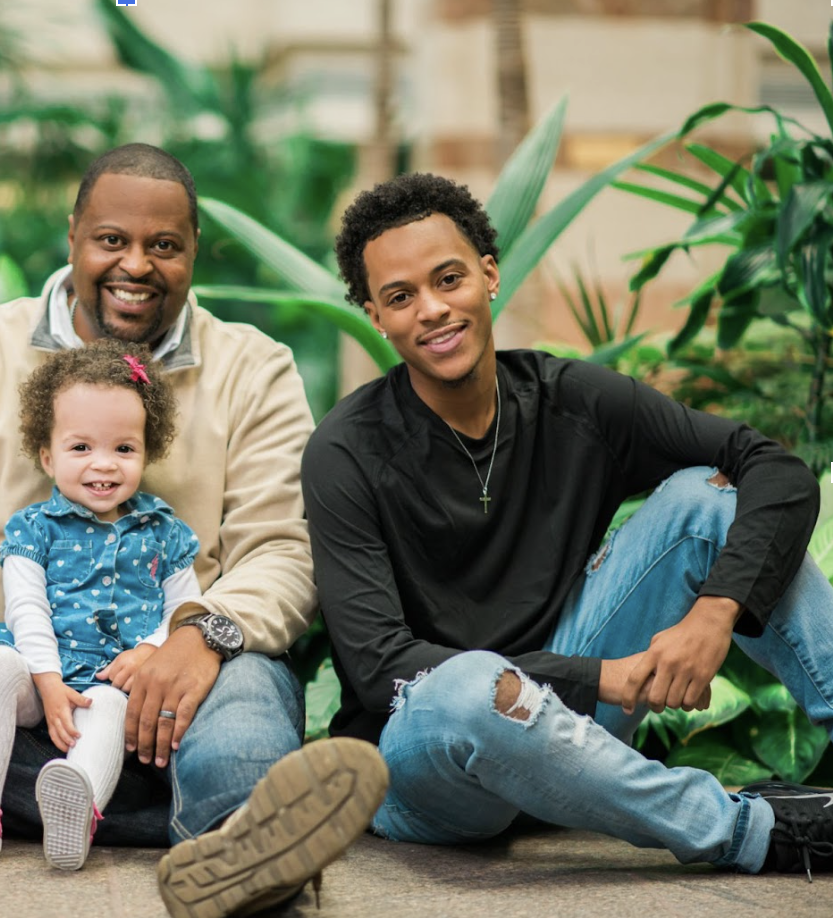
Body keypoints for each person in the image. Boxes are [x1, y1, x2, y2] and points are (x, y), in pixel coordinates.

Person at [0, 143, 387, 916]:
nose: (136, 265)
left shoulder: (255, 367)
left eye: (164, 246)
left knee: (250, 697)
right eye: (113, 240)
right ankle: (200, 826)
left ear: (192, 253)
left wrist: (202, 634)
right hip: (7, 680)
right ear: (74, 234)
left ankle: (217, 835)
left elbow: (282, 551)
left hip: (182, 684)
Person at [309, 171, 833, 879]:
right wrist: (599, 677)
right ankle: (753, 833)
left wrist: (717, 610)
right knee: (471, 685)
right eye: (401, 297)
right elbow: (380, 669)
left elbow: (776, 469)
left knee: (704, 499)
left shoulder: (573, 399)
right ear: (375, 315)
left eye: (449, 279)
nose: (432, 309)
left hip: (573, 716)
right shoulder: (346, 451)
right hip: (434, 764)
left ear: (489, 275)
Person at [0, 340, 200, 870]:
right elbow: (24, 609)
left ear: (147, 453)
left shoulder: (164, 531)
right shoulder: (34, 529)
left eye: (124, 449)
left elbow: (185, 611)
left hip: (111, 679)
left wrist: (149, 650)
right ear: (49, 456)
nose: (104, 465)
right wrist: (47, 682)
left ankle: (77, 803)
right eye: (81, 449)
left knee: (111, 710)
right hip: (39, 673)